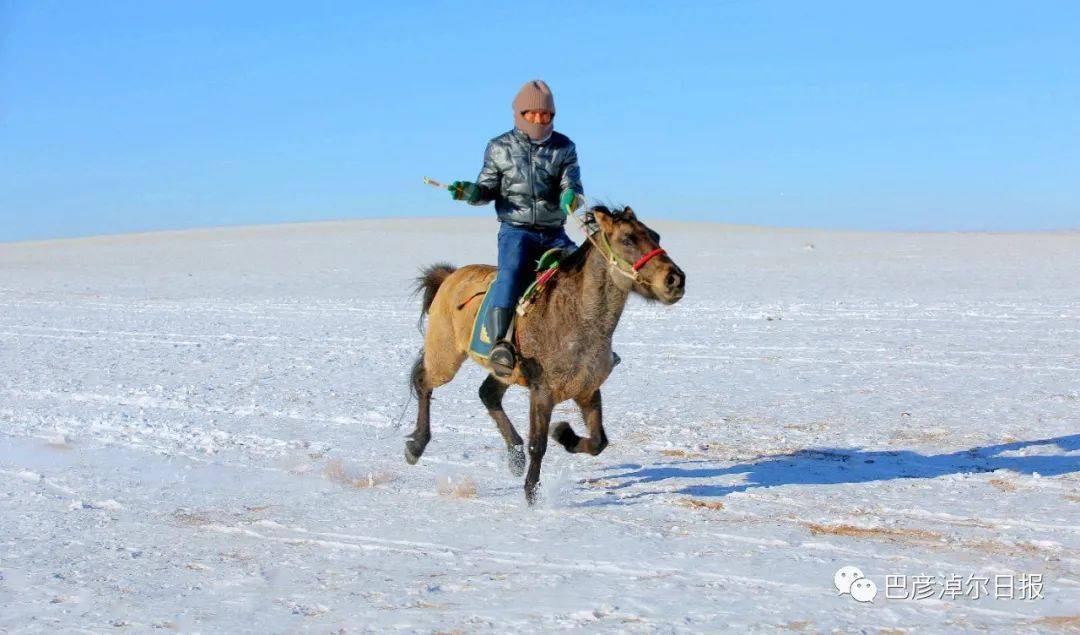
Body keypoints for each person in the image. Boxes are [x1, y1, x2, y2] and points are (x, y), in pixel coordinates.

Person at [448, 79, 585, 378]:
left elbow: (571, 183)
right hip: (516, 230)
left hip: (554, 232)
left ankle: (590, 344)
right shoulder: (499, 147)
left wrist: (570, 196)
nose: (539, 119)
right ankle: (501, 345)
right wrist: (472, 193)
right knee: (510, 275)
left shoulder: (564, 147)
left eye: (546, 114)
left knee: (584, 273)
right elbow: (486, 188)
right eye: (533, 113)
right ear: (520, 113)